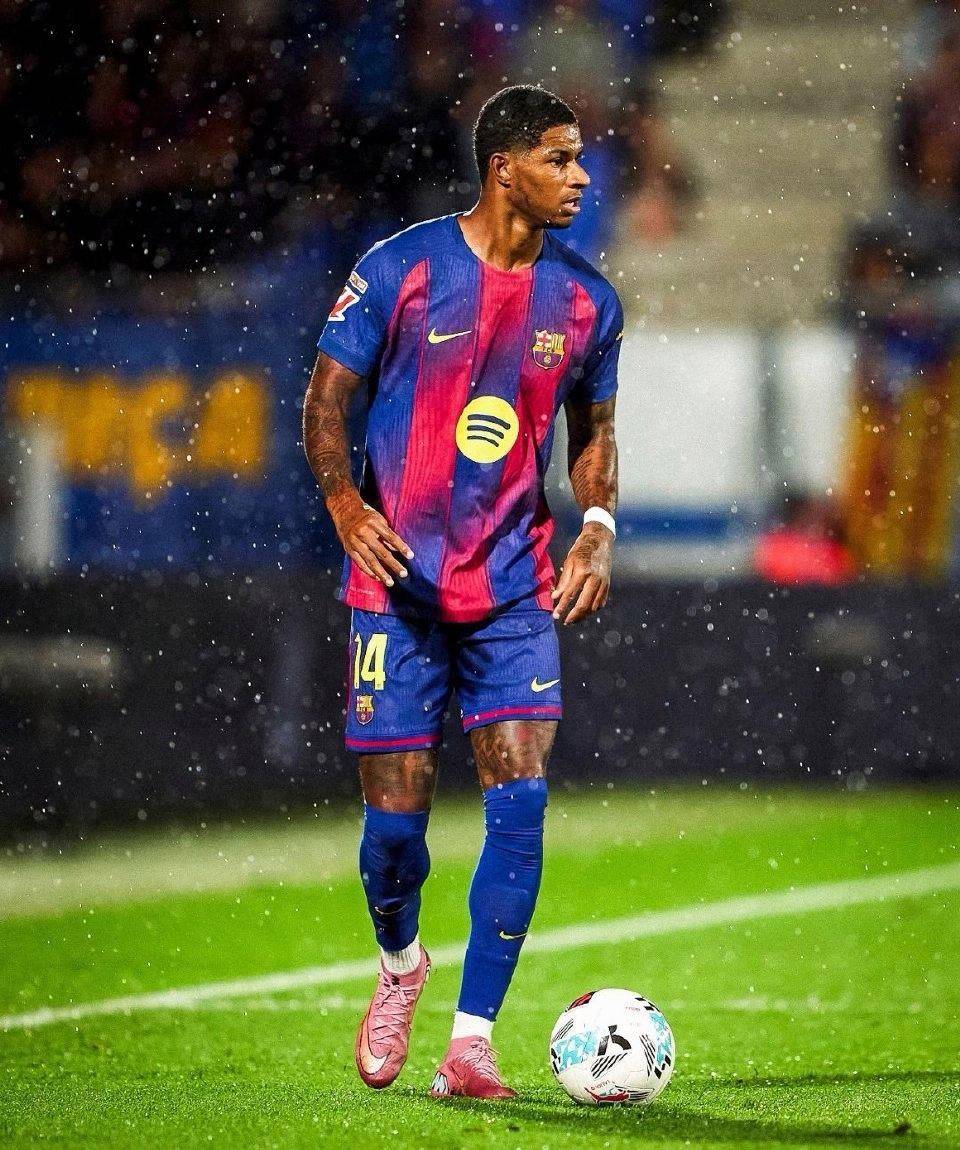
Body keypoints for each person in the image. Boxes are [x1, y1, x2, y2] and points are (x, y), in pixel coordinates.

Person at [302, 84, 622, 1101]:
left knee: (520, 803)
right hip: (397, 583)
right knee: (394, 834)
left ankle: (472, 1043)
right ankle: (402, 964)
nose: (581, 177)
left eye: (580, 158)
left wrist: (598, 525)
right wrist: (345, 503)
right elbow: (326, 397)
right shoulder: (400, 268)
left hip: (516, 588)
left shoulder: (587, 301)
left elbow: (595, 429)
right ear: (504, 168)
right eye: (561, 158)